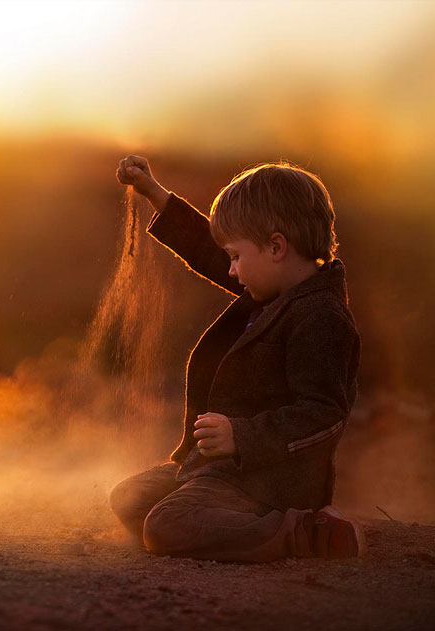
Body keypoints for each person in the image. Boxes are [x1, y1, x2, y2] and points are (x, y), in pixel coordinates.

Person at [109, 155, 364, 562]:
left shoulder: (321, 318)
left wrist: (240, 436)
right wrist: (156, 194)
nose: (229, 270)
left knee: (165, 526)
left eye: (235, 257)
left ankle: (309, 534)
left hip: (269, 479)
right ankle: (219, 517)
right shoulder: (276, 289)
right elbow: (209, 249)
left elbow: (324, 414)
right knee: (129, 498)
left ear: (277, 247)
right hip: (223, 467)